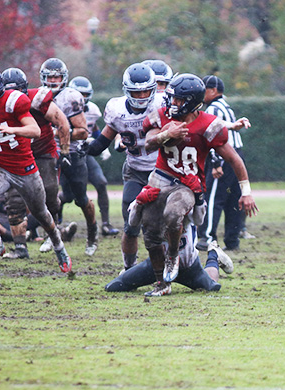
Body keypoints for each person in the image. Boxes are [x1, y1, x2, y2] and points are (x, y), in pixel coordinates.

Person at [135, 73, 258, 297]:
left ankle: (180, 256)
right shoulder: (162, 115)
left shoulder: (208, 125)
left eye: (179, 100)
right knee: (148, 231)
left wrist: (246, 192)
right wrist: (166, 134)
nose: (172, 104)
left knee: (174, 216)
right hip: (160, 180)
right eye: (172, 99)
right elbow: (149, 144)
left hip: (187, 185)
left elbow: (234, 159)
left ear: (191, 102)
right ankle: (161, 282)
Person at [0, 64, 72, 273]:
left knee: (42, 213)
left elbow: (34, 130)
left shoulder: (12, 102)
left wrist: (12, 129)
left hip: (25, 168)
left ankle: (59, 247)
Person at [84, 62, 165, 272]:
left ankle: (172, 262)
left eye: (146, 91)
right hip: (135, 171)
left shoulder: (162, 104)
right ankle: (129, 267)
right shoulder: (116, 109)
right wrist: (85, 149)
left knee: (165, 223)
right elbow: (103, 140)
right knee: (131, 225)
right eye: (136, 93)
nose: (141, 97)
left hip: (163, 171)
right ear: (126, 91)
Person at [0, 67, 74, 259]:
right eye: (8, 94)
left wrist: (65, 152)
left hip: (43, 153)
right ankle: (20, 249)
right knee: (14, 200)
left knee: (49, 193)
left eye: (16, 93)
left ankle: (54, 233)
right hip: (17, 156)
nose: (12, 98)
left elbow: (62, 122)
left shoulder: (38, 100)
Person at [38, 58, 99, 256]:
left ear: (63, 78)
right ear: (43, 78)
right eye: (50, 77)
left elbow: (83, 132)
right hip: (48, 153)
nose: (54, 81)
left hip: (72, 153)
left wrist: (58, 133)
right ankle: (51, 235)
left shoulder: (71, 97)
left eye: (57, 77)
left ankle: (93, 235)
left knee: (81, 198)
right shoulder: (37, 96)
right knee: (49, 195)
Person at [105, 213, 233, 292]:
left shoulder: (189, 194)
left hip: (186, 264)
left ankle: (213, 255)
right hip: (158, 264)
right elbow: (132, 220)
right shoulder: (152, 192)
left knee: (212, 287)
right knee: (115, 286)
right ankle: (133, 272)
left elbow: (199, 217)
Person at [196, 74, 251, 252]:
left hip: (223, 156)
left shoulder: (212, 109)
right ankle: (232, 240)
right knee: (234, 199)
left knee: (213, 199)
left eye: (203, 90)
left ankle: (206, 236)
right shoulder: (225, 105)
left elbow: (212, 136)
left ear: (212, 91)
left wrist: (216, 162)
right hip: (237, 156)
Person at [68, 75, 120, 237]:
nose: (82, 99)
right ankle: (54, 226)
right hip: (66, 153)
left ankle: (105, 224)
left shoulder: (93, 110)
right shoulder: (62, 106)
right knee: (67, 195)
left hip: (84, 153)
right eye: (79, 94)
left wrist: (101, 146)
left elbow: (96, 130)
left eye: (85, 95)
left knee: (101, 183)